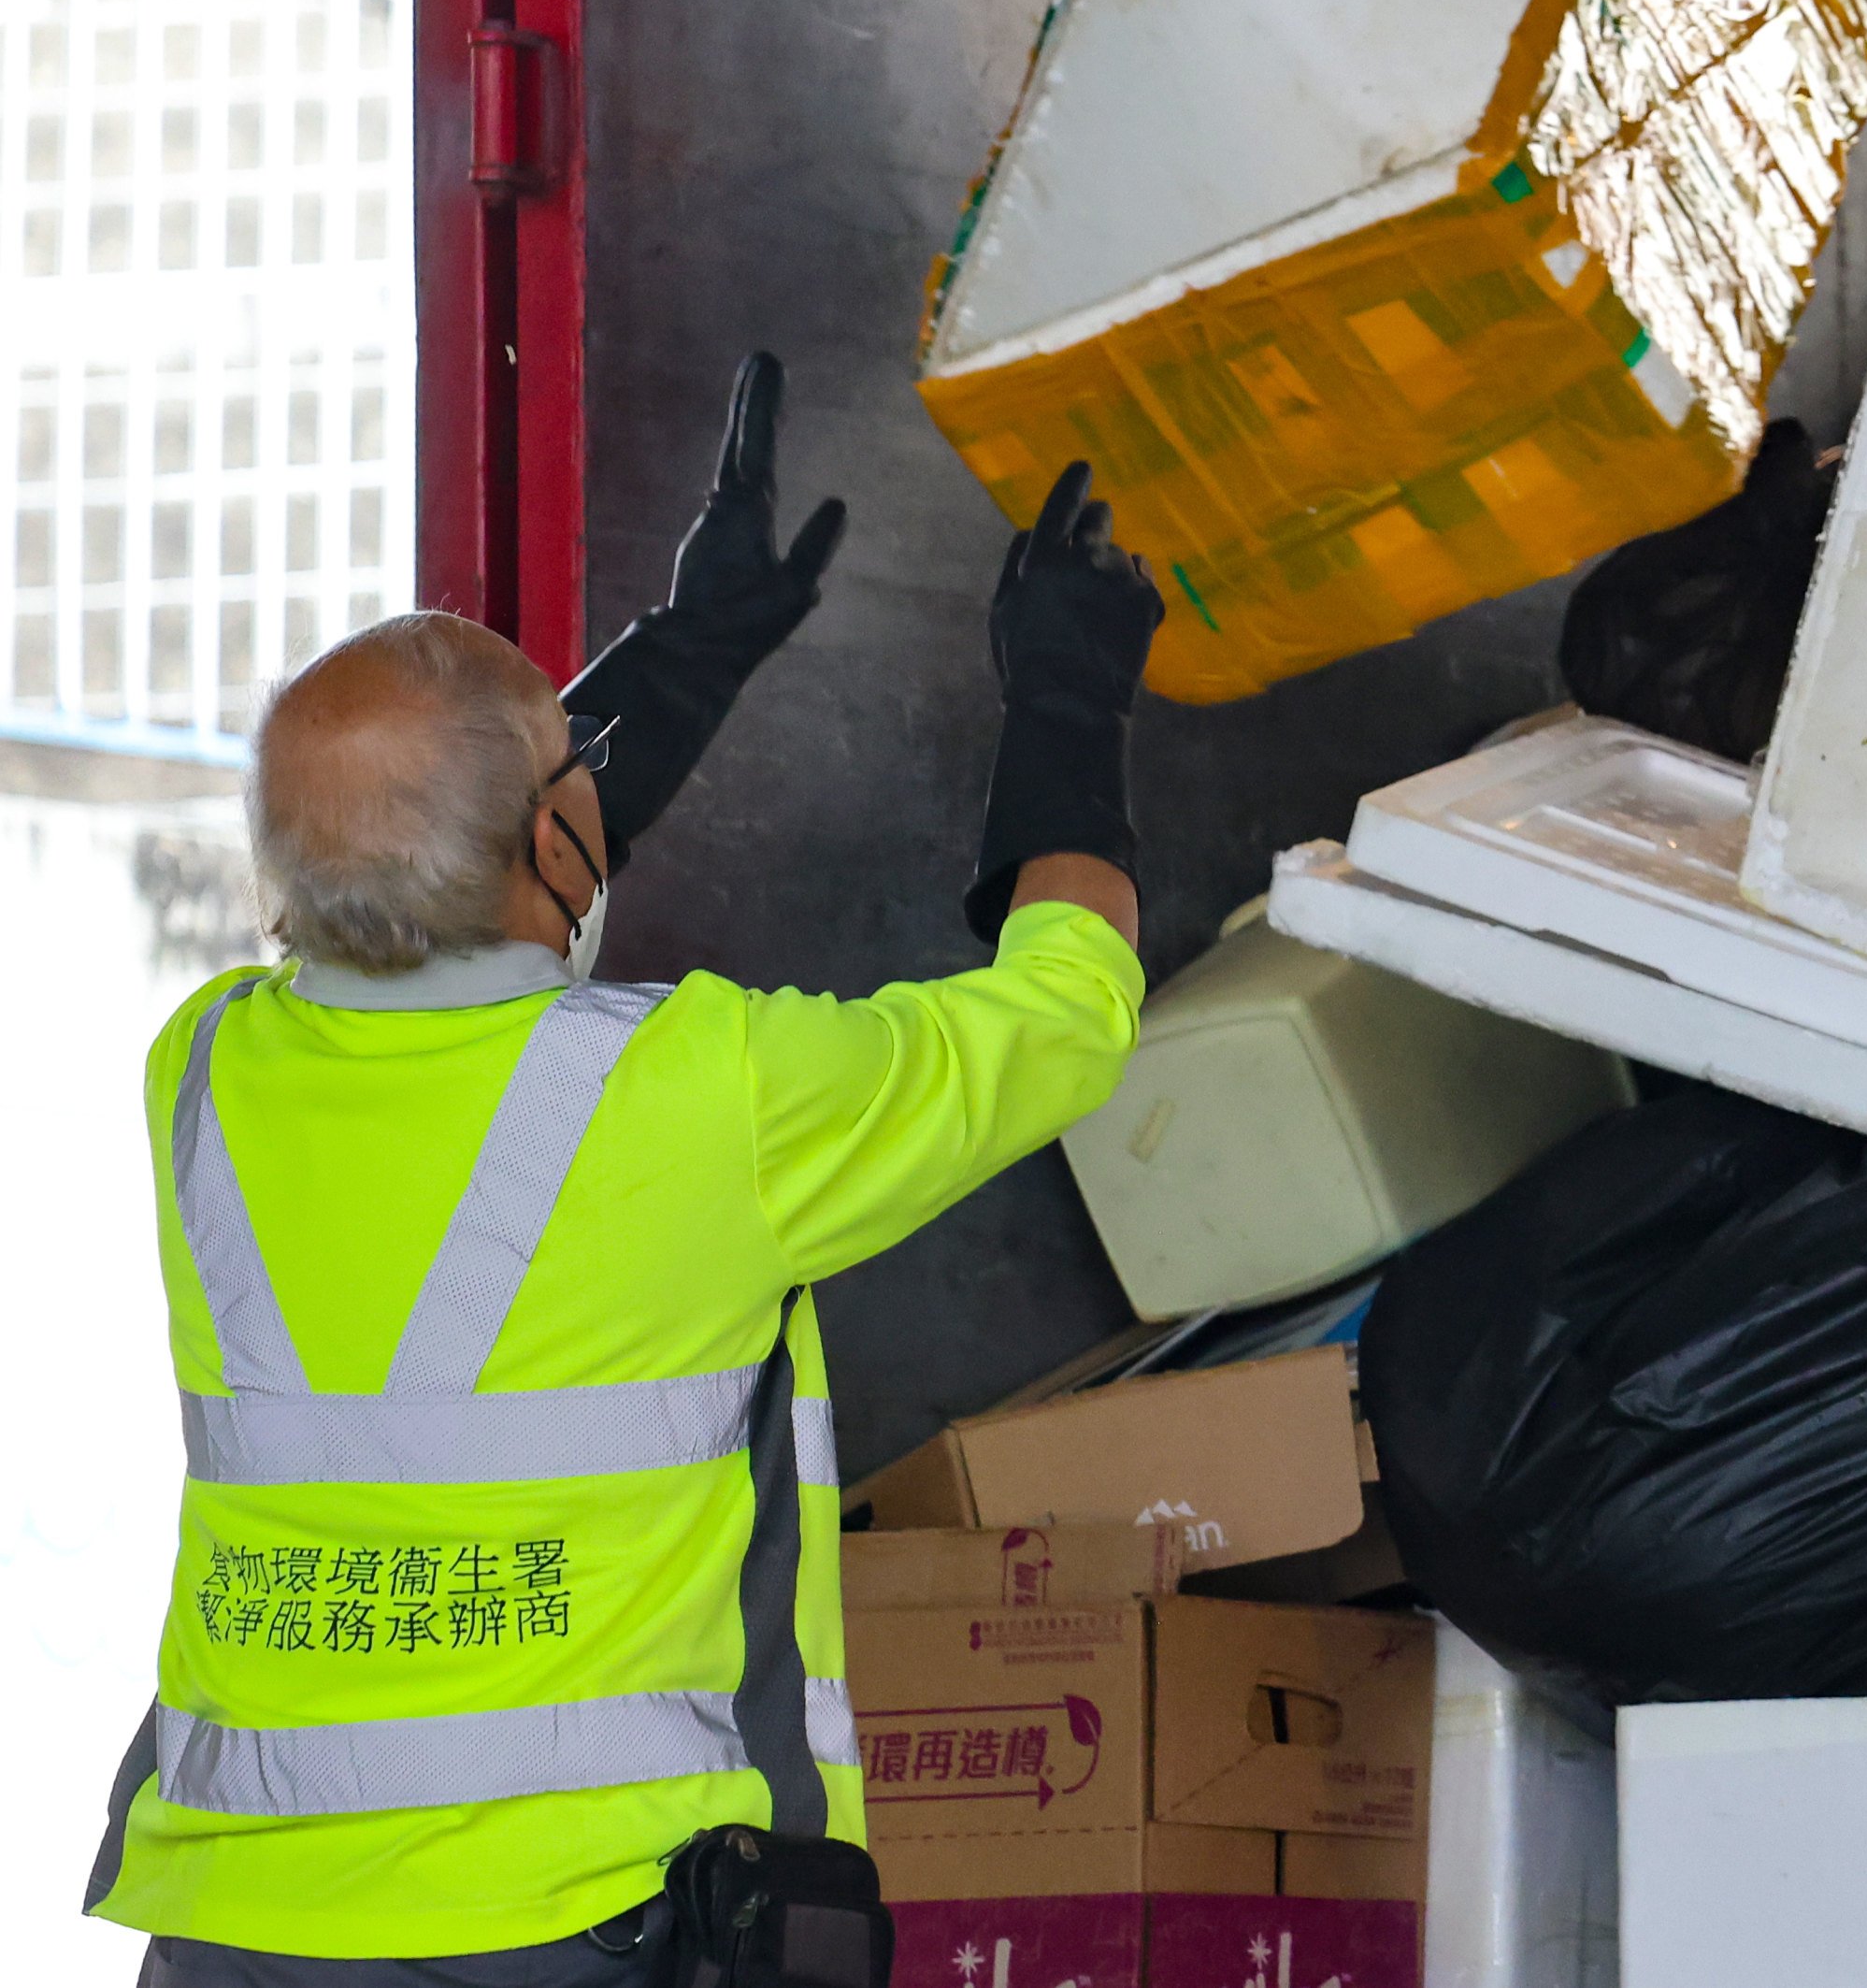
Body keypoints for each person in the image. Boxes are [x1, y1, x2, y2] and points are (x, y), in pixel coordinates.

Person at [82, 356, 1167, 1983]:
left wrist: (691, 650)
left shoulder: (206, 1081)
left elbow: (434, 869)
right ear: (549, 833)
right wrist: (1069, 704)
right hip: (593, 1928)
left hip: (232, 1934)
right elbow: (1064, 1013)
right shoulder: (706, 1090)